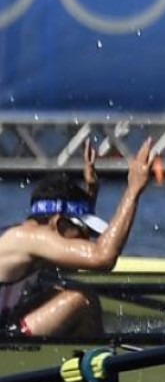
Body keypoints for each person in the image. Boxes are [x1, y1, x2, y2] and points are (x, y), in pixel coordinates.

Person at [0, 138, 155, 337]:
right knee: (81, 299)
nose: (85, 240)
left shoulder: (26, 237)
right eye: (82, 230)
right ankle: (96, 364)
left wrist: (91, 191)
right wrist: (133, 189)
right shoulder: (30, 238)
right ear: (57, 223)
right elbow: (103, 257)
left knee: (57, 287)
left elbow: (76, 243)